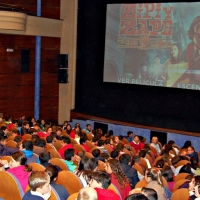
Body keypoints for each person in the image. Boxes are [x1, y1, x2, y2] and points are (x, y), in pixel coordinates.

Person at [186, 16, 200, 83]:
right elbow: (189, 69)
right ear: (192, 34)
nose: (199, 38)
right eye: (197, 34)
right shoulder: (190, 47)